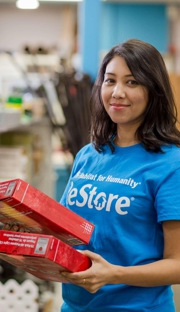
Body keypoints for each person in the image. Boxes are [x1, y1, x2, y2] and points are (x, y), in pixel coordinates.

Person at [59, 39, 180, 311]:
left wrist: (114, 274)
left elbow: (178, 264)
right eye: (110, 80)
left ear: (154, 90)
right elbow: (66, 230)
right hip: (74, 306)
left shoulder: (172, 164)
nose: (117, 92)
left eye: (132, 82)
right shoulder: (88, 155)